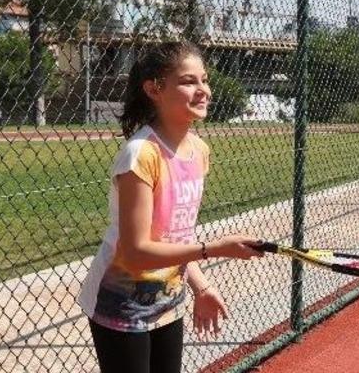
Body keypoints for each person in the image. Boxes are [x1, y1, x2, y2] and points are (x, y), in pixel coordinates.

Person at [78, 42, 263, 373]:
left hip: (168, 298)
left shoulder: (199, 151)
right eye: (188, 81)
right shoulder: (141, 154)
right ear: (154, 89)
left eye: (204, 80)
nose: (203, 90)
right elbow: (136, 252)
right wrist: (215, 248)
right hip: (122, 304)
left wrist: (201, 286)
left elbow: (178, 235)